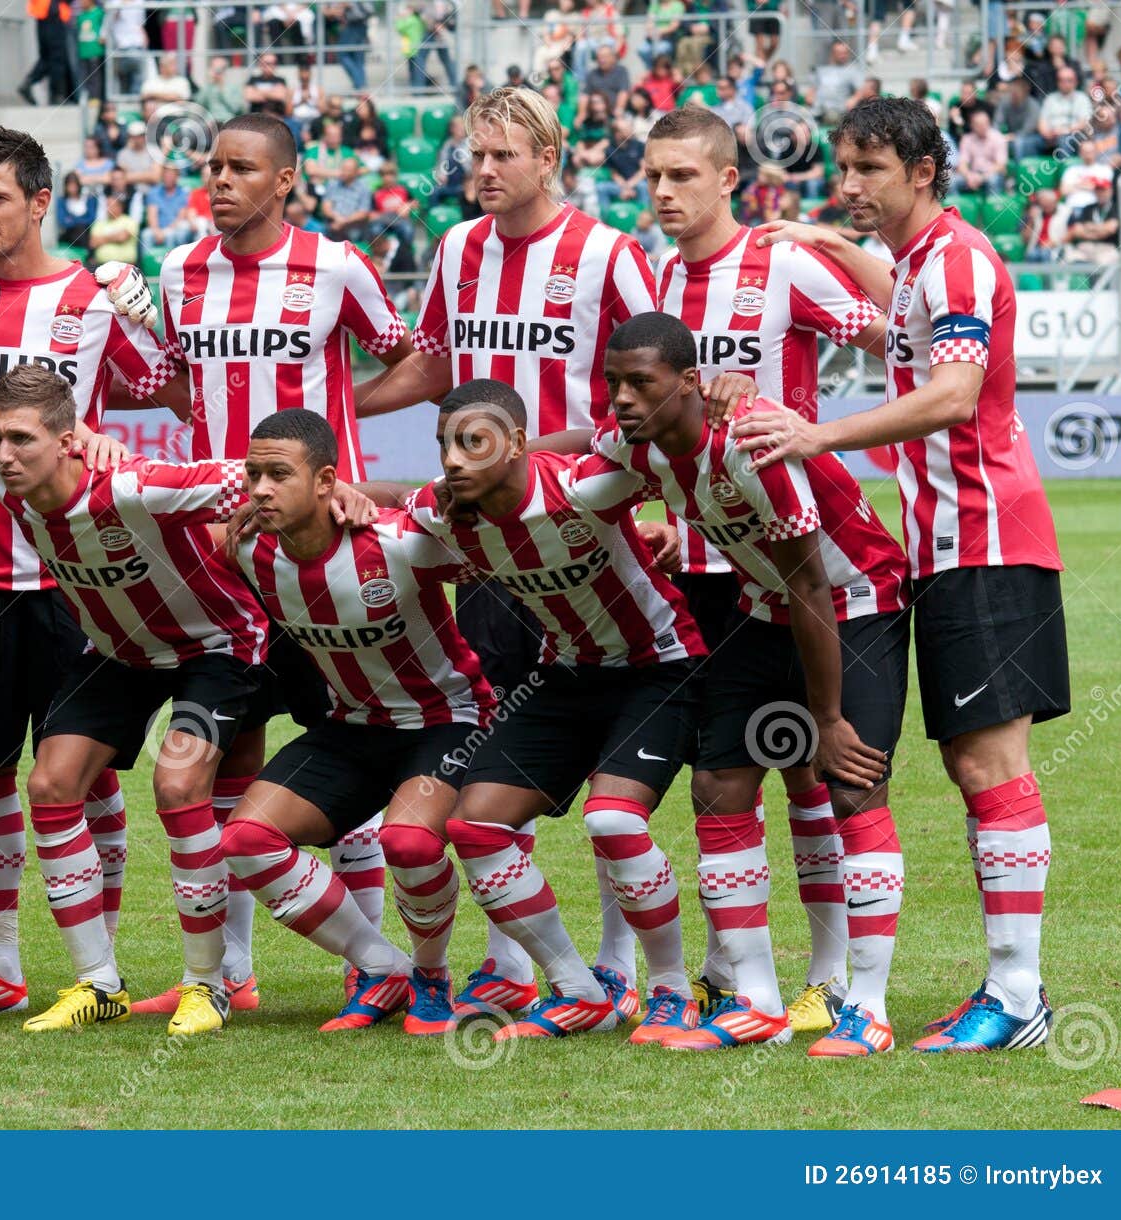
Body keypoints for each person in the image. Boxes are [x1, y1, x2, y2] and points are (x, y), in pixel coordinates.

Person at [735, 96, 1067, 1054]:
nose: (850, 186)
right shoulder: (922, 262)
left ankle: (1018, 994)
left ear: (923, 171)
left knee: (988, 766)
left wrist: (816, 431)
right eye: (843, 168)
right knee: (973, 765)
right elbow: (900, 299)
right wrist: (825, 240)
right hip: (945, 549)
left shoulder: (957, 257)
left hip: (987, 542)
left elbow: (955, 393)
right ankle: (1006, 989)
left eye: (870, 169)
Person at [353, 87, 663, 1021]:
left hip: (581, 532)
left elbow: (645, 389)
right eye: (473, 155)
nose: (481, 171)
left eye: (501, 155)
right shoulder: (455, 251)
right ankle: (514, 961)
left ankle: (617, 963)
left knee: (610, 763)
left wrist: (550, 464)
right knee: (497, 752)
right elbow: (439, 366)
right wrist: (341, 404)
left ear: (548, 157)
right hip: (486, 547)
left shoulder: (608, 255)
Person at [0, 127, 171, 1015]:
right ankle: (1, 966)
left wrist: (144, 318)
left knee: (90, 776)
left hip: (71, 583)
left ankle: (102, 967)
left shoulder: (89, 301)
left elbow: (161, 381)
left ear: (40, 203)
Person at [148, 112, 415, 1013]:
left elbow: (418, 360)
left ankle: (366, 968)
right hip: (221, 556)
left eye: (240, 168)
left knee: (357, 735)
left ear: (285, 181)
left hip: (320, 549)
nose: (219, 181)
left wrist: (340, 422)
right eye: (211, 165)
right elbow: (169, 382)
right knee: (228, 756)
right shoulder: (179, 272)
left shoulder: (336, 267)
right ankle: (230, 975)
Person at [590, 312, 913, 1054]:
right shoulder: (642, 448)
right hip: (762, 608)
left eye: (641, 382)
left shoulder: (751, 444)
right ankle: (758, 1001)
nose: (624, 399)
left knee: (855, 784)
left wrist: (825, 718)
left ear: (691, 384)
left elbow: (812, 583)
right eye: (615, 383)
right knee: (720, 787)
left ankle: (867, 1006)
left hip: (857, 602)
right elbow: (576, 453)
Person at [638, 106, 890, 1030]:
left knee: (806, 771)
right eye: (654, 177)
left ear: (727, 179)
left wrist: (832, 240)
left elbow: (891, 336)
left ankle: (827, 976)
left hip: (795, 552)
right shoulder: (656, 277)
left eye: (682, 176)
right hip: (703, 565)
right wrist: (665, 513)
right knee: (729, 767)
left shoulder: (782, 264)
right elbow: (649, 420)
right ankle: (739, 978)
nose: (665, 193)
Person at [385, 380, 704, 1041]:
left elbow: (663, 452)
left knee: (613, 820)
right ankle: (577, 990)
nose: (453, 460)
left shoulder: (585, 487)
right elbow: (385, 517)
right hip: (565, 674)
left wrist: (669, 529)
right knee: (476, 828)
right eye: (445, 444)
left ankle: (672, 991)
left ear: (518, 444)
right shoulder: (444, 513)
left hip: (662, 668)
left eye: (473, 442)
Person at [0, 362, 280, 1036]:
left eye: (21, 438)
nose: (3, 454)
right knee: (50, 784)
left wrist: (343, 494)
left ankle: (209, 985)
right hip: (119, 653)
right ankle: (98, 983)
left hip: (216, 645)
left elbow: (257, 478)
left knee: (178, 784)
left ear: (68, 440)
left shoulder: (137, 486)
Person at [221, 409, 494, 1034]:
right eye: (253, 473)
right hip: (354, 724)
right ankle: (381, 966)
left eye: (278, 475)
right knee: (245, 840)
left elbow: (487, 539)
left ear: (325, 482)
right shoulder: (247, 547)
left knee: (409, 841)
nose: (261, 489)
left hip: (447, 719)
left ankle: (431, 978)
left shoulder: (399, 543)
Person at [141, 163, 197, 252]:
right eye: (166, 174)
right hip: (156, 228)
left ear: (177, 176)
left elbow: (180, 217)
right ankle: (145, 264)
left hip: (174, 228)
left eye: (171, 175)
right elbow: (152, 215)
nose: (168, 177)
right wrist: (157, 231)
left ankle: (170, 264)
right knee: (146, 234)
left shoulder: (183, 193)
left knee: (171, 234)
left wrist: (166, 231)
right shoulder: (154, 192)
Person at [957, 108, 1009, 195]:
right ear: (972, 125)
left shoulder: (998, 137)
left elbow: (1001, 165)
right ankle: (958, 207)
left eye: (986, 123)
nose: (983, 126)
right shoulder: (967, 139)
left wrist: (982, 177)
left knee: (993, 180)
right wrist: (968, 175)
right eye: (979, 124)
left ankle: (992, 207)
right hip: (973, 173)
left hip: (992, 173)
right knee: (952, 181)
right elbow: (962, 164)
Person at [55, 169, 98, 247]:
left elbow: (91, 219)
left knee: (81, 230)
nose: (72, 188)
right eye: (69, 185)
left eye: (74, 185)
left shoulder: (88, 199)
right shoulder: (62, 201)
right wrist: (80, 221)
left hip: (86, 232)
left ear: (78, 185)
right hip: (70, 233)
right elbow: (62, 221)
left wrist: (73, 219)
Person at [193, 55, 243, 123]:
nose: (217, 71)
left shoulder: (234, 86)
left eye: (220, 68)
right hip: (211, 121)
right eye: (214, 68)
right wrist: (208, 83)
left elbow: (236, 108)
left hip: (228, 119)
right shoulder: (208, 87)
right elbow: (199, 104)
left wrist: (221, 88)